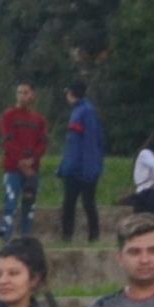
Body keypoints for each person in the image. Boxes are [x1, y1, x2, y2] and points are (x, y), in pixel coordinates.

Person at [0, 84, 48, 241]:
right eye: (19, 93)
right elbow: (7, 140)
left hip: (32, 169)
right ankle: (7, 240)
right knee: (10, 204)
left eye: (26, 93)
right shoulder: (9, 116)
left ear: (32, 95)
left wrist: (32, 160)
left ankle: (26, 239)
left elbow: (43, 143)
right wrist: (21, 161)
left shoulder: (39, 119)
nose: (22, 96)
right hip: (13, 167)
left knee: (29, 205)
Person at [55, 82, 106, 242]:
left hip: (81, 168)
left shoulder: (85, 112)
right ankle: (67, 234)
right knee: (69, 203)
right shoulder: (79, 111)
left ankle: (93, 234)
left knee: (87, 202)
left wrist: (88, 168)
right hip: (73, 166)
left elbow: (90, 142)